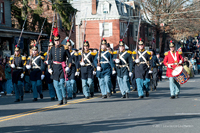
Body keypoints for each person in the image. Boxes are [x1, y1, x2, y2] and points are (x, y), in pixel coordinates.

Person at [48, 28, 71, 105]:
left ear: (60, 40)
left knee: (61, 83)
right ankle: (60, 99)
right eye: (55, 41)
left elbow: (70, 57)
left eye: (58, 40)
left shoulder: (64, 48)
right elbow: (49, 59)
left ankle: (64, 97)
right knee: (56, 85)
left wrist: (68, 66)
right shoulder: (52, 49)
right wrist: (49, 68)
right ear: (54, 41)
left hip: (62, 67)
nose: (57, 42)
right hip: (55, 68)